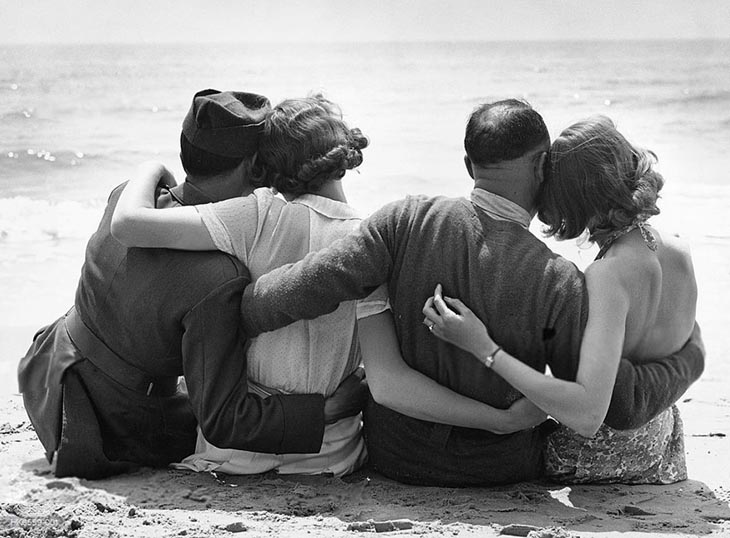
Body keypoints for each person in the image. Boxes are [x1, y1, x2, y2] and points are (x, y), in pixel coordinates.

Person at [233, 99, 705, 487]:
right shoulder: (561, 279)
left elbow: (309, 284)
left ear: (467, 164)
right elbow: (591, 403)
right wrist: (690, 359)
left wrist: (236, 310)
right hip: (500, 469)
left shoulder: (405, 220)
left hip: (398, 459)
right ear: (543, 168)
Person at [17, 89, 363, 479]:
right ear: (255, 167)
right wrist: (327, 410)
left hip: (47, 374)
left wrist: (149, 168)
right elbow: (225, 421)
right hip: (100, 430)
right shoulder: (218, 277)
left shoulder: (127, 197)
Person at [424, 115, 696, 484]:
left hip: (609, 453)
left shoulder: (608, 274)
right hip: (662, 437)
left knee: (491, 448)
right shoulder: (677, 248)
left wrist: (483, 347)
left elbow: (587, 417)